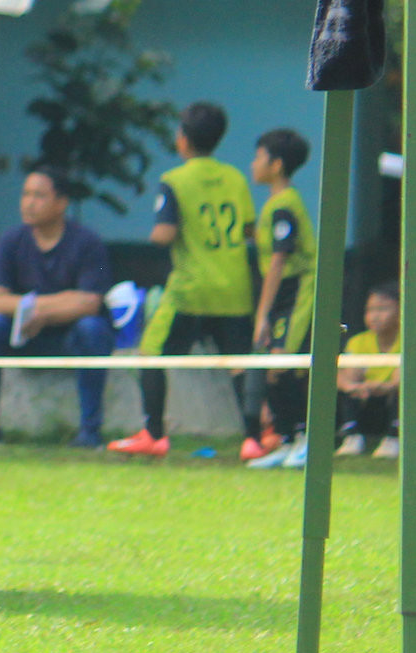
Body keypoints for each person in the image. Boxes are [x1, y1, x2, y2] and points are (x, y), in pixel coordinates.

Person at [110, 102, 263, 458]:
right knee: (240, 363)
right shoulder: (236, 178)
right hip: (234, 287)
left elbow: (164, 233)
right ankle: (253, 438)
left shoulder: (174, 180)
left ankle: (153, 434)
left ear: (182, 139)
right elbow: (249, 230)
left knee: (151, 353)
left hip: (191, 289)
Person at [0, 167, 113, 447]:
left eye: (39, 196)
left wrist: (38, 310)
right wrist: (45, 305)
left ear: (62, 203)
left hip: (71, 336)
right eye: (25, 194)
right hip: (23, 334)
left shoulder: (89, 242)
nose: (28, 203)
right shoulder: (11, 241)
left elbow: (90, 302)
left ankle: (90, 430)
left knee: (93, 329)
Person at [247, 128, 317, 468]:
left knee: (284, 365)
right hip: (284, 295)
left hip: (297, 291)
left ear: (276, 165)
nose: (253, 164)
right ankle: (287, 441)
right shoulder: (276, 204)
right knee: (275, 368)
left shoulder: (284, 205)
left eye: (258, 157)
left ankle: (305, 440)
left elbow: (279, 260)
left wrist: (263, 314)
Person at [337, 281, 402, 458]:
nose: (374, 316)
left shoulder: (407, 340)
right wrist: (353, 387)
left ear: (401, 311)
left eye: (383, 309)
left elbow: (401, 380)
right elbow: (346, 376)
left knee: (403, 393)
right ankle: (352, 437)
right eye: (370, 310)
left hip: (389, 398)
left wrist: (383, 386)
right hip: (366, 399)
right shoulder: (358, 341)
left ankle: (393, 438)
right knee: (346, 391)